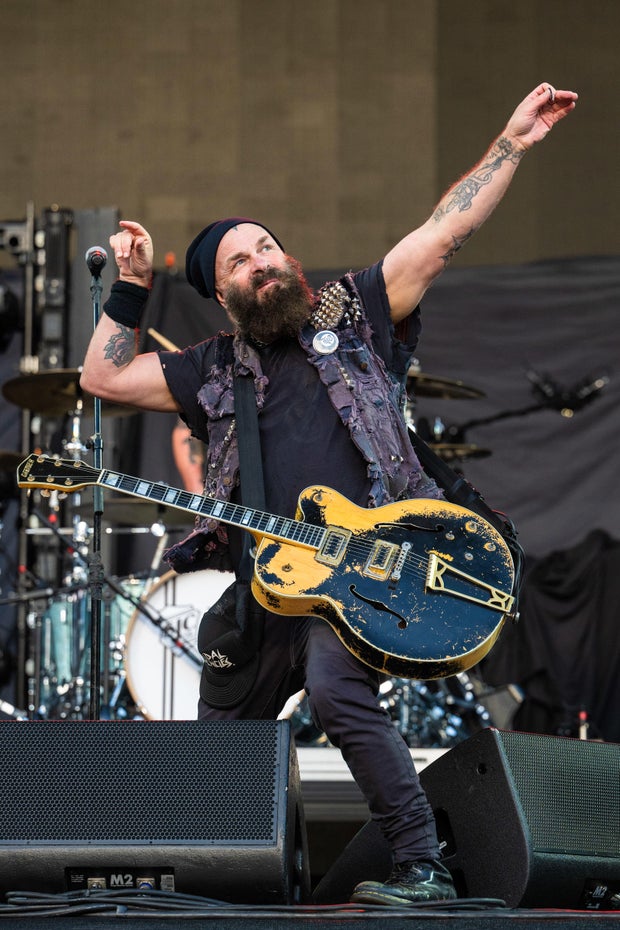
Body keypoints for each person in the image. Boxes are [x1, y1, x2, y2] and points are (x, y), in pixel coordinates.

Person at [80, 82, 577, 906]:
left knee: (339, 686)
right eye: (241, 260)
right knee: (223, 726)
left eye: (268, 246)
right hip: (272, 583)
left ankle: (425, 865)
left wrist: (513, 143)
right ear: (225, 292)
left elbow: (445, 231)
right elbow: (102, 376)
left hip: (365, 571)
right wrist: (130, 288)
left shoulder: (352, 314)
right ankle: (223, 877)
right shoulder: (210, 369)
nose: (263, 261)